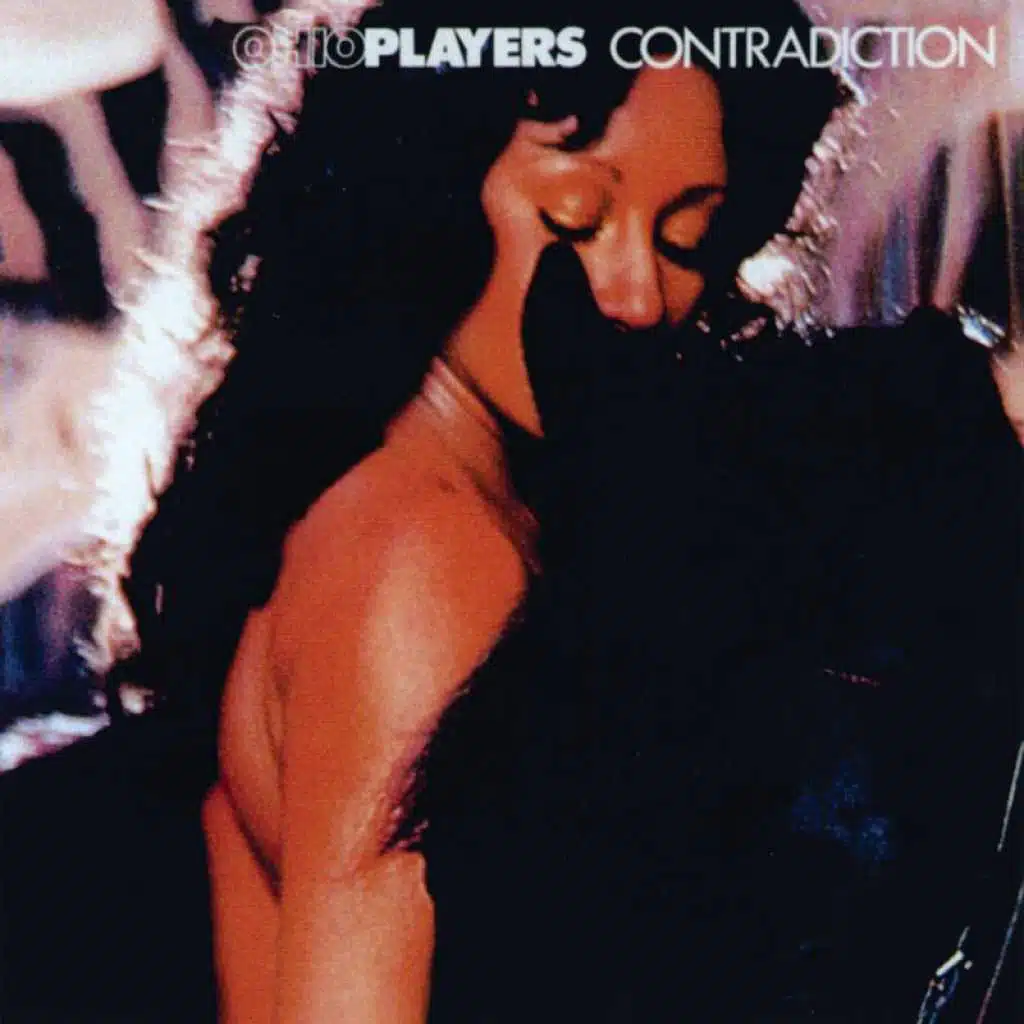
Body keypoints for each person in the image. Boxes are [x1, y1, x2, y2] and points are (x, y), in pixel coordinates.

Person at [192, 1, 1022, 1021]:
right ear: (429, 191)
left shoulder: (351, 514)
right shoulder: (433, 558)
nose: (636, 294)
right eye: (575, 219)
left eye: (686, 239)